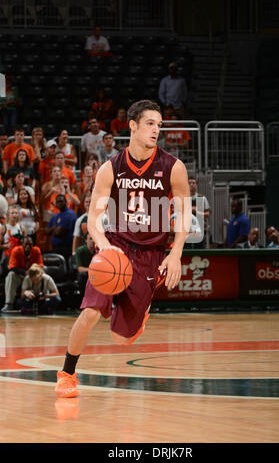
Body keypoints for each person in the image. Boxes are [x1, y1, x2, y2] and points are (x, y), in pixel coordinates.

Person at [55, 99, 191, 398]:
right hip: (116, 245)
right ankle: (66, 374)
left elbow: (183, 214)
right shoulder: (111, 168)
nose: (156, 129)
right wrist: (105, 247)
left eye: (159, 125)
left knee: (120, 338)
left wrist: (176, 252)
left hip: (151, 254)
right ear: (132, 125)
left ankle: (138, 313)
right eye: (150, 124)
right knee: (90, 312)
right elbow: (92, 220)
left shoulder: (173, 167)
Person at [1, 236, 43, 314]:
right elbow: (12, 267)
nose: (28, 246)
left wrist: (31, 271)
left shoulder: (36, 250)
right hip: (20, 276)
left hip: (32, 276)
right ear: (21, 244)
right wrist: (25, 272)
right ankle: (9, 304)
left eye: (30, 244)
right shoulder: (16, 250)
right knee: (11, 275)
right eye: (26, 244)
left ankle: (42, 301)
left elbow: (40, 265)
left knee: (42, 274)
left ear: (33, 244)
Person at [45, 194, 78, 261]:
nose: (59, 203)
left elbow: (59, 232)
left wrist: (52, 229)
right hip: (55, 248)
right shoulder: (55, 216)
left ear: (66, 202)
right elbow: (46, 232)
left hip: (66, 248)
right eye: (58, 202)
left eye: (61, 201)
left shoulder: (70, 214)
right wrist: (55, 228)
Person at [188, 176, 210, 249]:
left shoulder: (202, 198)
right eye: (189, 183)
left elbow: (207, 214)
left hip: (200, 230)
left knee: (200, 252)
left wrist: (197, 212)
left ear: (196, 185)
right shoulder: (183, 198)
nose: (191, 185)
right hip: (187, 231)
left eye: (193, 183)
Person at [75, 233, 96, 298]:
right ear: (86, 240)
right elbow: (80, 269)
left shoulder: (99, 250)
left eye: (94, 238)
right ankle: (84, 298)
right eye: (90, 239)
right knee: (82, 275)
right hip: (87, 274)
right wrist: (92, 270)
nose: (93, 241)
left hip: (98, 274)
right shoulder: (80, 251)